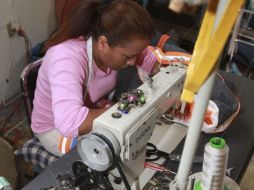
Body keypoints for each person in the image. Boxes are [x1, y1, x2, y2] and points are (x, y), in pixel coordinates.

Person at [31, 0, 159, 156]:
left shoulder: (118, 46)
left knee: (141, 135)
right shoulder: (66, 58)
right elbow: (70, 124)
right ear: (103, 43)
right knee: (121, 151)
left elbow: (152, 61)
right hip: (56, 132)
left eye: (135, 55)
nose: (133, 61)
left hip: (93, 110)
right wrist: (124, 108)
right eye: (128, 57)